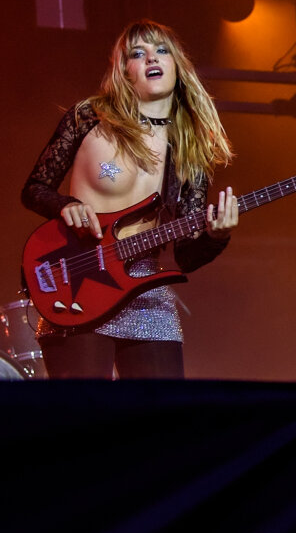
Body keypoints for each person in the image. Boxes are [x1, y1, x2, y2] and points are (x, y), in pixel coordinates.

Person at [21, 19, 239, 379]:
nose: (151, 58)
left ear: (177, 65)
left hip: (146, 290)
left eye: (161, 50)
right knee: (86, 418)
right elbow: (34, 189)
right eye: (138, 53)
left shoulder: (190, 150)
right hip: (78, 279)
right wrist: (66, 206)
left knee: (159, 422)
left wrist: (217, 237)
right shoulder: (89, 117)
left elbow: (184, 255)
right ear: (126, 70)